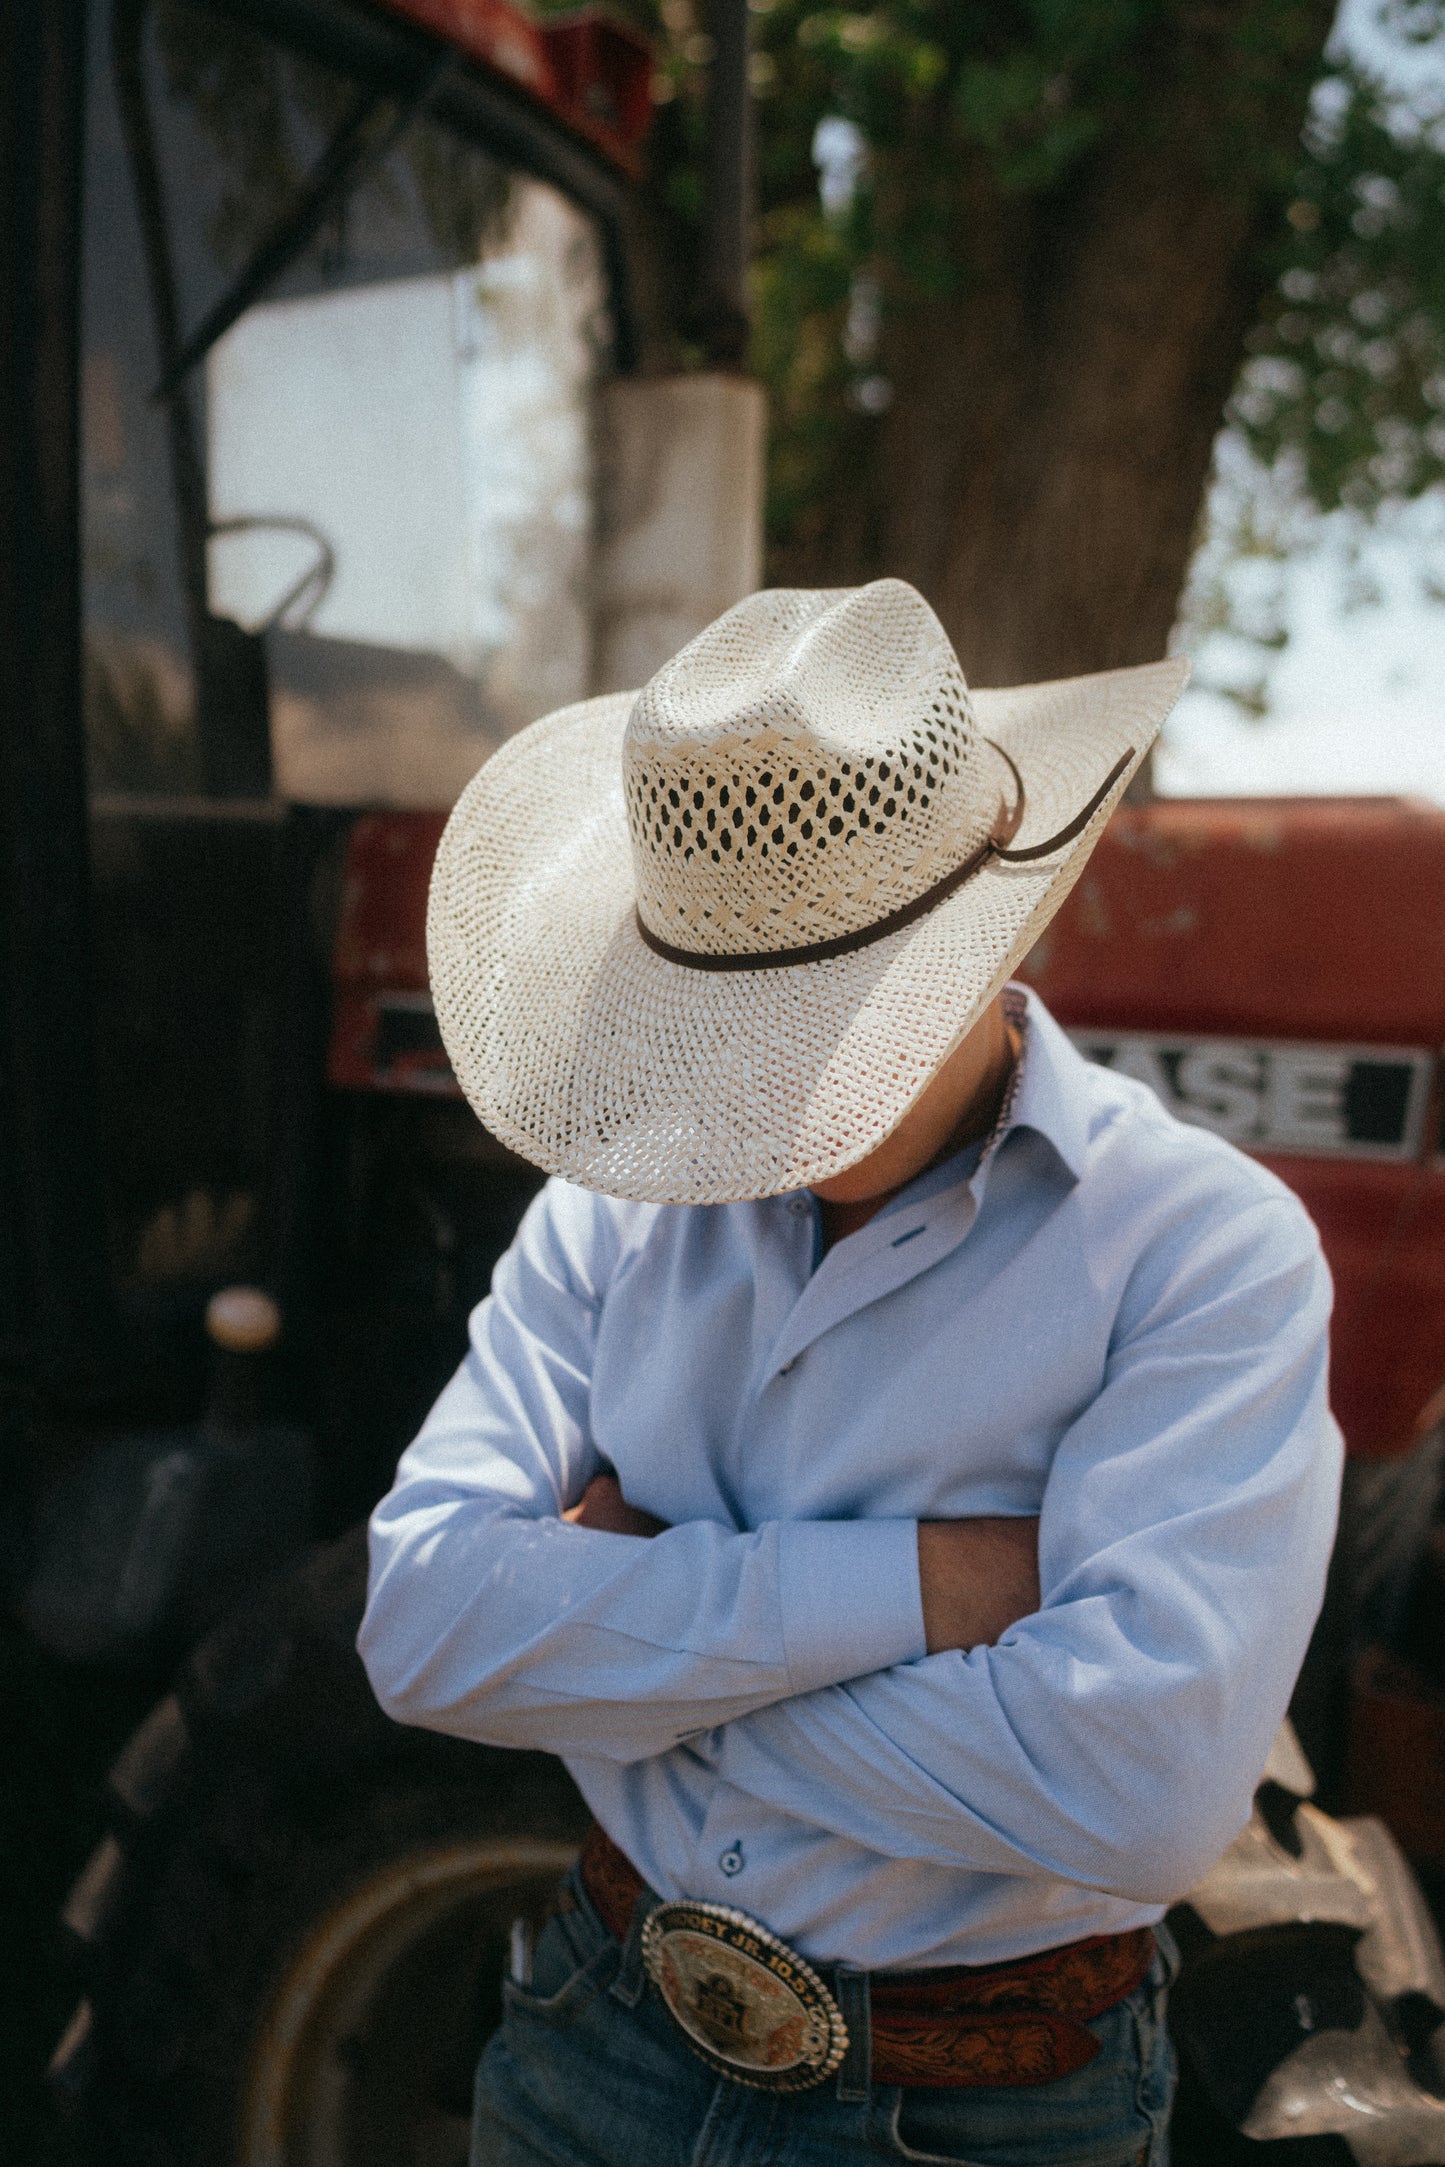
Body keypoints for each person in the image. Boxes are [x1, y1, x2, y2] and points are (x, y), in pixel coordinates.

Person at [358, 579, 1341, 2167]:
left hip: (982, 2109)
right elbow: (420, 1629)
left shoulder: (1198, 1250)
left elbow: (1141, 1792)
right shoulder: (610, 1207)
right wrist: (934, 1589)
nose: (782, 1082)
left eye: (824, 1010)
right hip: (594, 2034)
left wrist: (616, 1651)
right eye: (743, 1010)